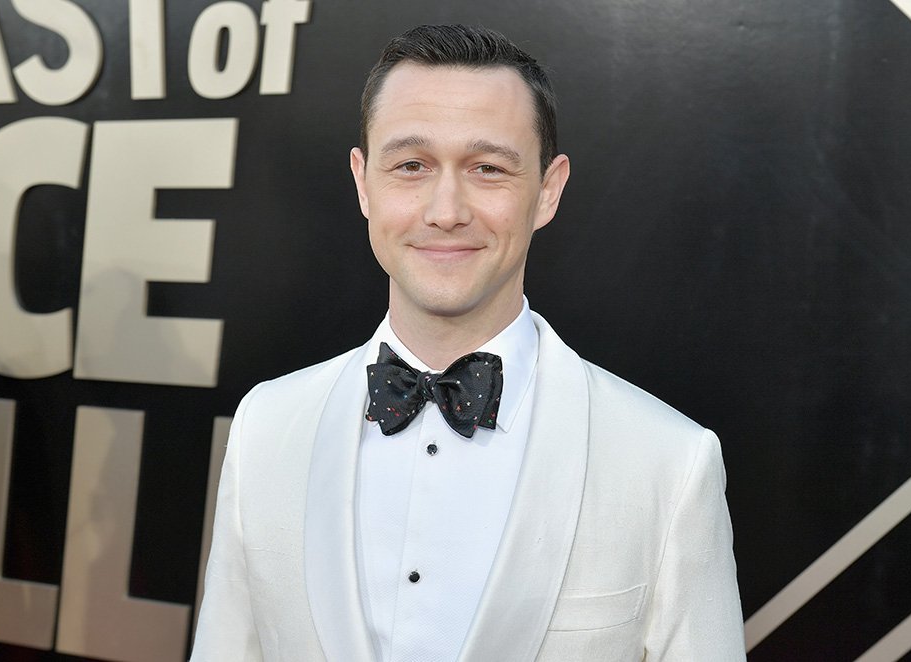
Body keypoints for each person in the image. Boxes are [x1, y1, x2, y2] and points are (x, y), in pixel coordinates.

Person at [191, 24, 746, 661]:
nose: (446, 209)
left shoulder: (670, 462)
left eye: (488, 169)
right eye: (410, 166)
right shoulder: (267, 424)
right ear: (363, 182)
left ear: (548, 190)